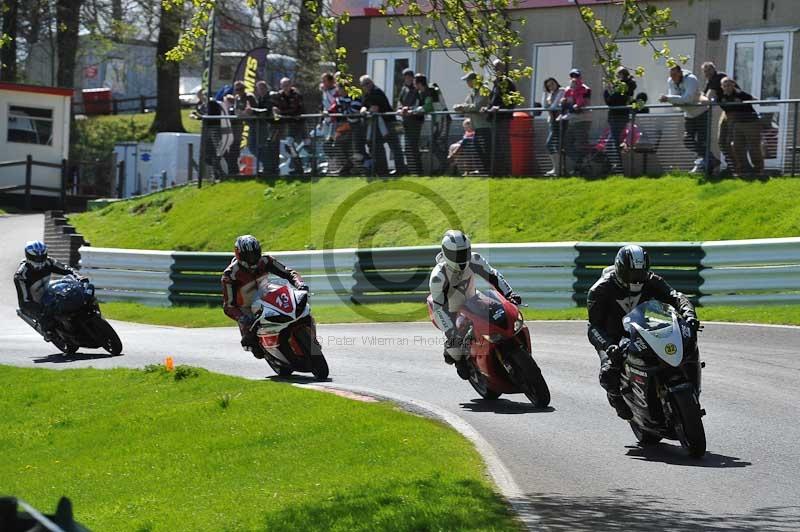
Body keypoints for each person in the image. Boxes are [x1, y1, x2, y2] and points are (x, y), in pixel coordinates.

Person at [586, 245, 700, 420]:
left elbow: (676, 296)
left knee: (686, 341)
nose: (637, 279)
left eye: (640, 274)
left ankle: (689, 385)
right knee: (609, 371)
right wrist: (609, 346)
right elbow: (594, 327)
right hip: (613, 336)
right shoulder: (600, 290)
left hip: (644, 327)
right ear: (619, 269)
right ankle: (617, 399)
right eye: (632, 274)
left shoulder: (651, 280)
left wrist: (689, 315)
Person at [429, 230, 522, 379]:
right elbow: (438, 308)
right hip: (450, 311)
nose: (460, 258)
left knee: (502, 316)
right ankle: (459, 361)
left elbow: (494, 276)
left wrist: (509, 294)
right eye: (456, 255)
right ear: (446, 253)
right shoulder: (438, 277)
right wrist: (450, 331)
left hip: (474, 299)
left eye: (464, 253)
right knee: (456, 350)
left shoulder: (475, 260)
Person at [222, 235, 309, 358]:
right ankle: (272, 353)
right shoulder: (230, 275)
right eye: (248, 256)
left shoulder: (265, 261)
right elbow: (228, 306)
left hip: (267, 293)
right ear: (239, 255)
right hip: (246, 306)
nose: (252, 259)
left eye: (254, 254)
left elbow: (288, 272)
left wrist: (300, 283)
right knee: (253, 347)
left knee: (301, 304)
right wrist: (242, 318)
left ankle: (309, 336)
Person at [14, 240, 79, 341]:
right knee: (46, 317)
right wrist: (40, 309)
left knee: (70, 295)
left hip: (47, 293)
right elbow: (25, 300)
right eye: (36, 258)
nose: (40, 261)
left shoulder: (49, 261)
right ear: (28, 256)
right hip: (32, 302)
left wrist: (79, 276)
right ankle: (49, 332)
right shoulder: (21, 275)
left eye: (42, 257)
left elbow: (67, 269)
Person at [659, 65, 719, 174]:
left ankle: (706, 168)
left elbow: (687, 98)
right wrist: (673, 99)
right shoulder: (670, 81)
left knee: (702, 142)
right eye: (671, 75)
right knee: (687, 140)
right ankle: (712, 159)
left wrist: (669, 98)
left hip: (701, 113)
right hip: (688, 114)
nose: (673, 77)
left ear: (680, 72)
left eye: (675, 75)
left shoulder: (691, 79)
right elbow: (676, 99)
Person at [360, 75, 408, 176]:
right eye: (364, 85)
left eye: (368, 83)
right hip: (377, 125)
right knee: (377, 147)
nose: (366, 86)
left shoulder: (377, 92)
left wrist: (366, 111)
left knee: (394, 146)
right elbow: (364, 105)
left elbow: (374, 108)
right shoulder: (367, 94)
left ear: (372, 82)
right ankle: (383, 171)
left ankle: (401, 170)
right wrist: (363, 109)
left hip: (388, 122)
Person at [718, 77, 764, 177]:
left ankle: (759, 170)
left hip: (750, 122)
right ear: (722, 87)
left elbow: (754, 99)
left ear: (733, 85)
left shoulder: (740, 94)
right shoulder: (721, 97)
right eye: (725, 86)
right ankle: (744, 170)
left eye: (729, 85)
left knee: (753, 147)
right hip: (737, 124)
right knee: (736, 147)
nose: (727, 87)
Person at [412, 74, 451, 174]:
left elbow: (428, 106)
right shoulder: (426, 91)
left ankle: (446, 165)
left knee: (435, 143)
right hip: (438, 120)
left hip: (442, 118)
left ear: (419, 83)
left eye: (414, 83)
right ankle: (445, 166)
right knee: (434, 143)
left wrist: (415, 110)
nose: (414, 85)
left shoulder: (430, 90)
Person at [453, 72, 491, 173]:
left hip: (485, 125)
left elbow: (476, 106)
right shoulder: (472, 92)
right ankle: (484, 170)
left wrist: (463, 107)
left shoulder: (484, 90)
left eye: (468, 81)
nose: (467, 83)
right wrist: (460, 107)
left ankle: (489, 171)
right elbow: (466, 104)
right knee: (478, 147)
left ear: (474, 80)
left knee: (487, 149)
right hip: (477, 126)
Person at [701, 61, 735, 172]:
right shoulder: (710, 81)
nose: (707, 73)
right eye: (705, 71)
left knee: (730, 140)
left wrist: (702, 100)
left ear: (713, 69)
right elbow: (703, 95)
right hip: (726, 112)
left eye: (709, 70)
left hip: (735, 112)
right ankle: (731, 165)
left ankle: (735, 166)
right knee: (721, 141)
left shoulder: (719, 77)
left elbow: (709, 96)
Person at [559, 68, 592, 175]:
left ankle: (584, 169)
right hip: (571, 120)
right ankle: (580, 162)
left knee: (581, 144)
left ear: (580, 77)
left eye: (576, 76)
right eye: (572, 76)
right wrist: (564, 104)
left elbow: (580, 107)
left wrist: (571, 106)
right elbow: (565, 105)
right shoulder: (567, 90)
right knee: (566, 144)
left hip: (582, 120)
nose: (574, 78)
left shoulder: (585, 89)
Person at [603, 67, 637, 173]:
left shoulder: (623, 86)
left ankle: (619, 167)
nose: (616, 78)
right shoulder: (627, 85)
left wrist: (606, 90)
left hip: (618, 116)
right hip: (618, 116)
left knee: (613, 142)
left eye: (618, 75)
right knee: (610, 143)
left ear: (621, 75)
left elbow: (610, 101)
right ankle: (616, 166)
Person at [487, 59, 517, 176]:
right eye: (494, 68)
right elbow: (492, 100)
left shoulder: (507, 82)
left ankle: (507, 172)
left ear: (502, 69)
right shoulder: (495, 83)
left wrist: (499, 107)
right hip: (494, 118)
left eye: (497, 68)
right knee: (496, 145)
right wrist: (488, 107)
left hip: (503, 118)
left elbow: (511, 100)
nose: (495, 70)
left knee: (503, 144)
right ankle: (497, 171)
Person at [244, 80, 279, 176]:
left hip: (269, 127)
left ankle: (269, 167)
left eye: (263, 88)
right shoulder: (260, 98)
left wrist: (252, 111)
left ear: (266, 88)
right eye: (259, 89)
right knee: (255, 147)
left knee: (262, 147)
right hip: (261, 127)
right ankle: (268, 166)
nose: (261, 90)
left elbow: (266, 111)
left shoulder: (270, 97)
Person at [273, 77, 306, 175]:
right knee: (289, 145)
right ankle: (298, 167)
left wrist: (281, 112)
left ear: (291, 85)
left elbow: (293, 110)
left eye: (287, 85)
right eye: (283, 86)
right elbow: (276, 105)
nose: (285, 88)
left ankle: (310, 166)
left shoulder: (296, 95)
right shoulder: (279, 95)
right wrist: (275, 109)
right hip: (290, 124)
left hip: (300, 123)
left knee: (307, 145)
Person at [397, 68, 423, 174]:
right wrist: (399, 109)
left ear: (412, 78)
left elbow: (419, 104)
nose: (407, 79)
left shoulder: (417, 89)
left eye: (409, 77)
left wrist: (409, 109)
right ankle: (410, 169)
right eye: (405, 77)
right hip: (405, 121)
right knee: (407, 147)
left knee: (413, 146)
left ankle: (417, 170)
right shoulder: (403, 89)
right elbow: (399, 102)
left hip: (415, 121)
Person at [541, 77, 565, 176]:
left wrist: (549, 107)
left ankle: (558, 169)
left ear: (556, 82)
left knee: (550, 144)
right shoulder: (549, 94)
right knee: (555, 145)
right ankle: (557, 169)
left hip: (559, 122)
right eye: (549, 85)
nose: (551, 86)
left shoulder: (561, 91)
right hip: (552, 122)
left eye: (552, 83)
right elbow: (544, 106)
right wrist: (545, 93)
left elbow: (554, 106)